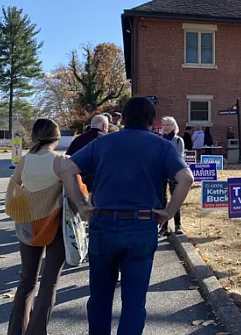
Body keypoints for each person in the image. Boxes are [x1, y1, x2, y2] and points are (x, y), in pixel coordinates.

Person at [57, 97, 193, 335]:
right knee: (134, 301)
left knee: (99, 297)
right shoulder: (162, 146)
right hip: (142, 224)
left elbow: (67, 169)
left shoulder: (103, 143)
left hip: (103, 223)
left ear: (124, 118)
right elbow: (186, 179)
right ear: (152, 121)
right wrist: (169, 212)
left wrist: (80, 204)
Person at [6, 118, 86, 335]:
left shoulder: (24, 161)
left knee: (26, 282)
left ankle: (16, 331)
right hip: (56, 226)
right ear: (57, 136)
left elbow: (15, 187)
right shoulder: (62, 161)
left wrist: (33, 202)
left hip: (30, 226)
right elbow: (76, 195)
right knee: (49, 283)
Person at [161, 116, 185, 235]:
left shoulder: (178, 140)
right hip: (161, 173)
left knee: (175, 198)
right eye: (163, 125)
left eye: (167, 125)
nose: (165, 127)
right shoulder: (159, 140)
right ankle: (164, 227)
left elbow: (179, 157)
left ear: (173, 126)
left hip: (173, 173)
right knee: (162, 200)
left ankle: (177, 225)